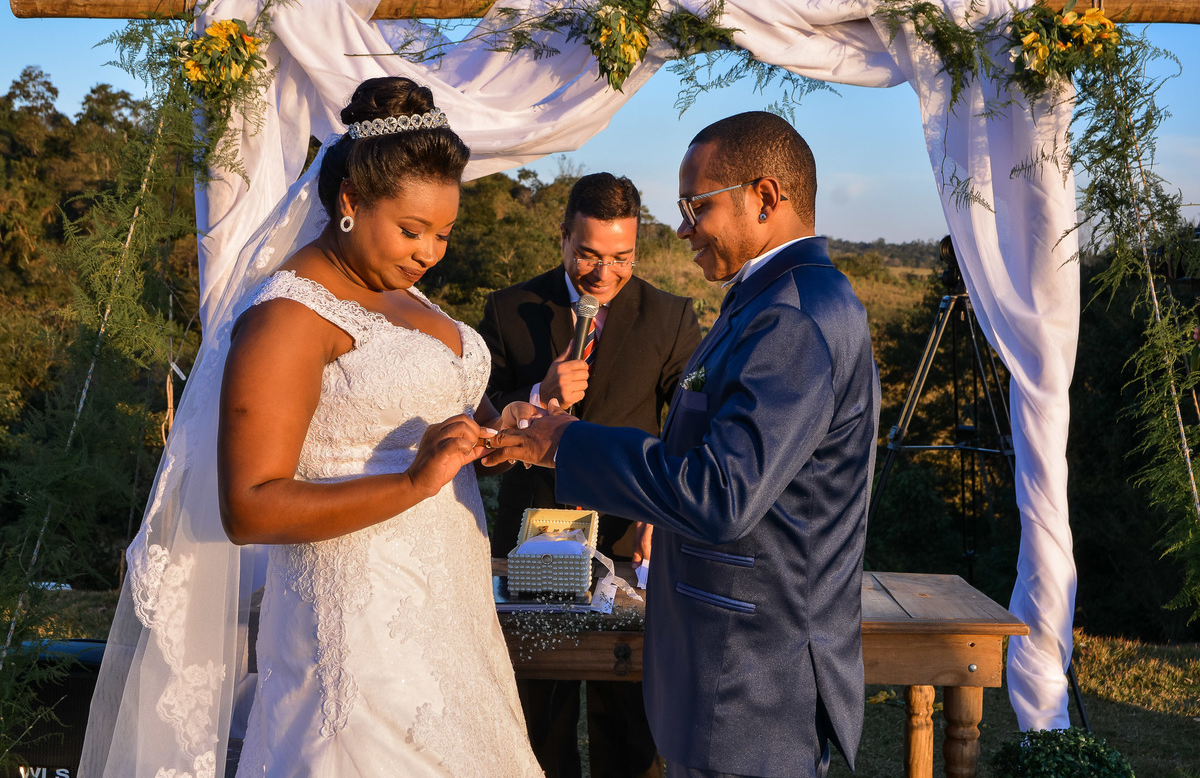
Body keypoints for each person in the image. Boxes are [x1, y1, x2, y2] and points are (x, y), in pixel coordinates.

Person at [79, 77, 543, 777]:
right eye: (412, 230)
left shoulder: (399, 287)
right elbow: (251, 506)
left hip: (452, 613)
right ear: (350, 202)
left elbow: (426, 405)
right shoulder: (287, 318)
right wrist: (418, 478)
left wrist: (495, 429)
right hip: (357, 633)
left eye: (444, 233)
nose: (430, 252)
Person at [487, 111, 881, 778]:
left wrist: (566, 443)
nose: (684, 227)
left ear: (765, 197)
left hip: (754, 676)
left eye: (696, 206)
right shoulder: (758, 302)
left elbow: (722, 493)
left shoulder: (794, 316)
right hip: (717, 660)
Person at [478, 173, 701, 778]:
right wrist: (533, 394)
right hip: (530, 539)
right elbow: (476, 410)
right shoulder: (506, 308)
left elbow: (687, 431)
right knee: (534, 717)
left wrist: (660, 511)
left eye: (621, 258)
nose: (604, 273)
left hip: (631, 537)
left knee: (628, 723)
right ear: (563, 239)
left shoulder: (672, 317)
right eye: (589, 255)